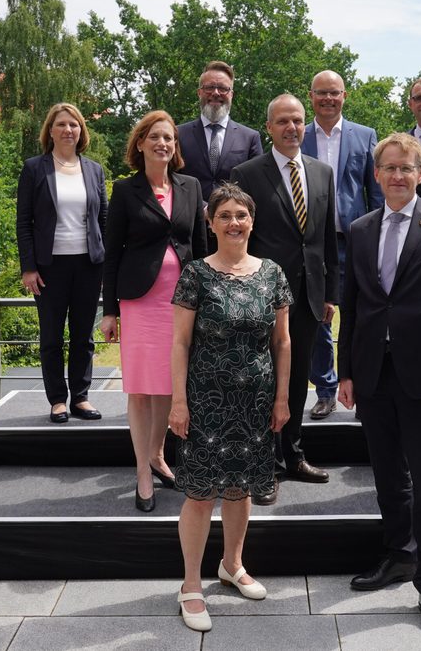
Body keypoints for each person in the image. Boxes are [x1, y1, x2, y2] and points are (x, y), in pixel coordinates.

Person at [338, 133, 421, 642]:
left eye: (407, 168)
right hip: (374, 374)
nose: (397, 175)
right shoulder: (359, 228)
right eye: (389, 168)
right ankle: (398, 557)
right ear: (376, 175)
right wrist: (346, 370)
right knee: (389, 479)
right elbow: (352, 306)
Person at [169, 182, 292, 632]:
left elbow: (282, 341)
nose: (234, 222)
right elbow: (180, 343)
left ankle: (232, 565)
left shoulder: (273, 273)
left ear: (252, 221)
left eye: (241, 214)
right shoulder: (196, 274)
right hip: (205, 400)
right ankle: (190, 585)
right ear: (211, 222)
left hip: (255, 401)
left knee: (240, 490)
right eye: (225, 215)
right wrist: (178, 402)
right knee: (200, 494)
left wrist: (281, 397)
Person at [231, 94, 338, 504]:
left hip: (309, 297)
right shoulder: (246, 174)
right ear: (269, 128)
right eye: (283, 121)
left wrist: (330, 293)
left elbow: (326, 238)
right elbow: (239, 236)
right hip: (262, 297)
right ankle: (264, 466)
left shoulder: (321, 172)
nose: (292, 128)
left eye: (298, 121)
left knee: (295, 382)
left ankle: (293, 457)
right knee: (263, 382)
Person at [100, 110, 207, 513]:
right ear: (141, 143)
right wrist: (109, 311)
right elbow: (113, 254)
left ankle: (159, 455)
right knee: (142, 389)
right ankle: (143, 473)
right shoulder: (126, 191)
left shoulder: (191, 186)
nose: (164, 144)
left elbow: (199, 248)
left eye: (170, 138)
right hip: (140, 303)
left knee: (169, 384)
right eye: (156, 137)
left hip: (181, 302)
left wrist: (206, 300)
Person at [16, 102, 107, 424]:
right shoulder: (34, 169)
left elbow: (103, 220)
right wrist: (28, 267)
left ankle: (80, 397)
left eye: (74, 125)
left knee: (84, 336)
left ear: (82, 131)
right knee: (52, 336)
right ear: (50, 131)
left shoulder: (94, 170)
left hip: (88, 265)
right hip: (49, 267)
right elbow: (23, 222)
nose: (69, 130)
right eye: (62, 125)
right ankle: (57, 400)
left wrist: (106, 264)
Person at [302, 70, 383, 420]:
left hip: (355, 242)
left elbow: (375, 192)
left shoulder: (365, 137)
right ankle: (325, 390)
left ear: (344, 96)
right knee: (316, 319)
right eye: (321, 93)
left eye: (334, 93)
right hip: (312, 244)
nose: (328, 99)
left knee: (362, 318)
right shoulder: (297, 135)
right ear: (311, 96)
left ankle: (364, 391)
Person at [177, 60, 264, 251]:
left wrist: (226, 212)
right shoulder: (178, 135)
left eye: (223, 88)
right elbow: (172, 180)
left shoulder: (250, 137)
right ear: (199, 92)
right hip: (189, 235)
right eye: (209, 87)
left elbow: (257, 185)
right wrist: (206, 209)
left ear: (231, 94)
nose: (215, 93)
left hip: (235, 236)